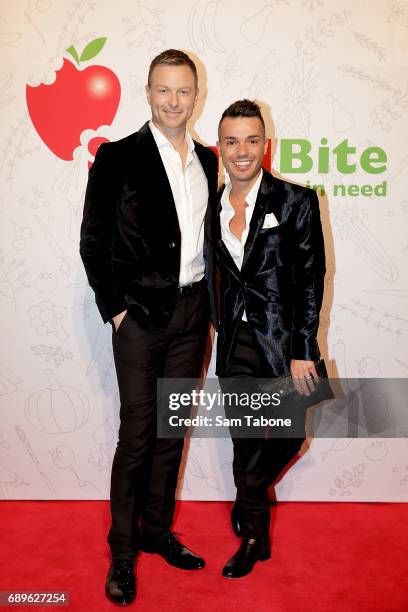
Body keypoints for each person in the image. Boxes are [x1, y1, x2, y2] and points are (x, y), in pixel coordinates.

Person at [80, 49, 218, 605]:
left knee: (171, 432)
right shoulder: (117, 157)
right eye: (164, 90)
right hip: (138, 318)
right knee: (137, 435)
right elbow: (94, 242)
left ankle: (156, 530)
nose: (174, 101)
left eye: (184, 91)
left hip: (192, 317)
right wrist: (115, 308)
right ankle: (122, 550)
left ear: (196, 96)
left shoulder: (208, 160)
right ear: (147, 92)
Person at [215, 100, 326, 578]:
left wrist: (304, 348)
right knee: (244, 442)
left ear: (266, 145)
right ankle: (256, 539)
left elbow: (312, 278)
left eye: (251, 140)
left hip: (285, 345)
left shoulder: (296, 200)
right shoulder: (211, 206)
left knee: (290, 437)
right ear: (219, 147)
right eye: (232, 141)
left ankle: (248, 497)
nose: (242, 151)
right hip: (235, 342)